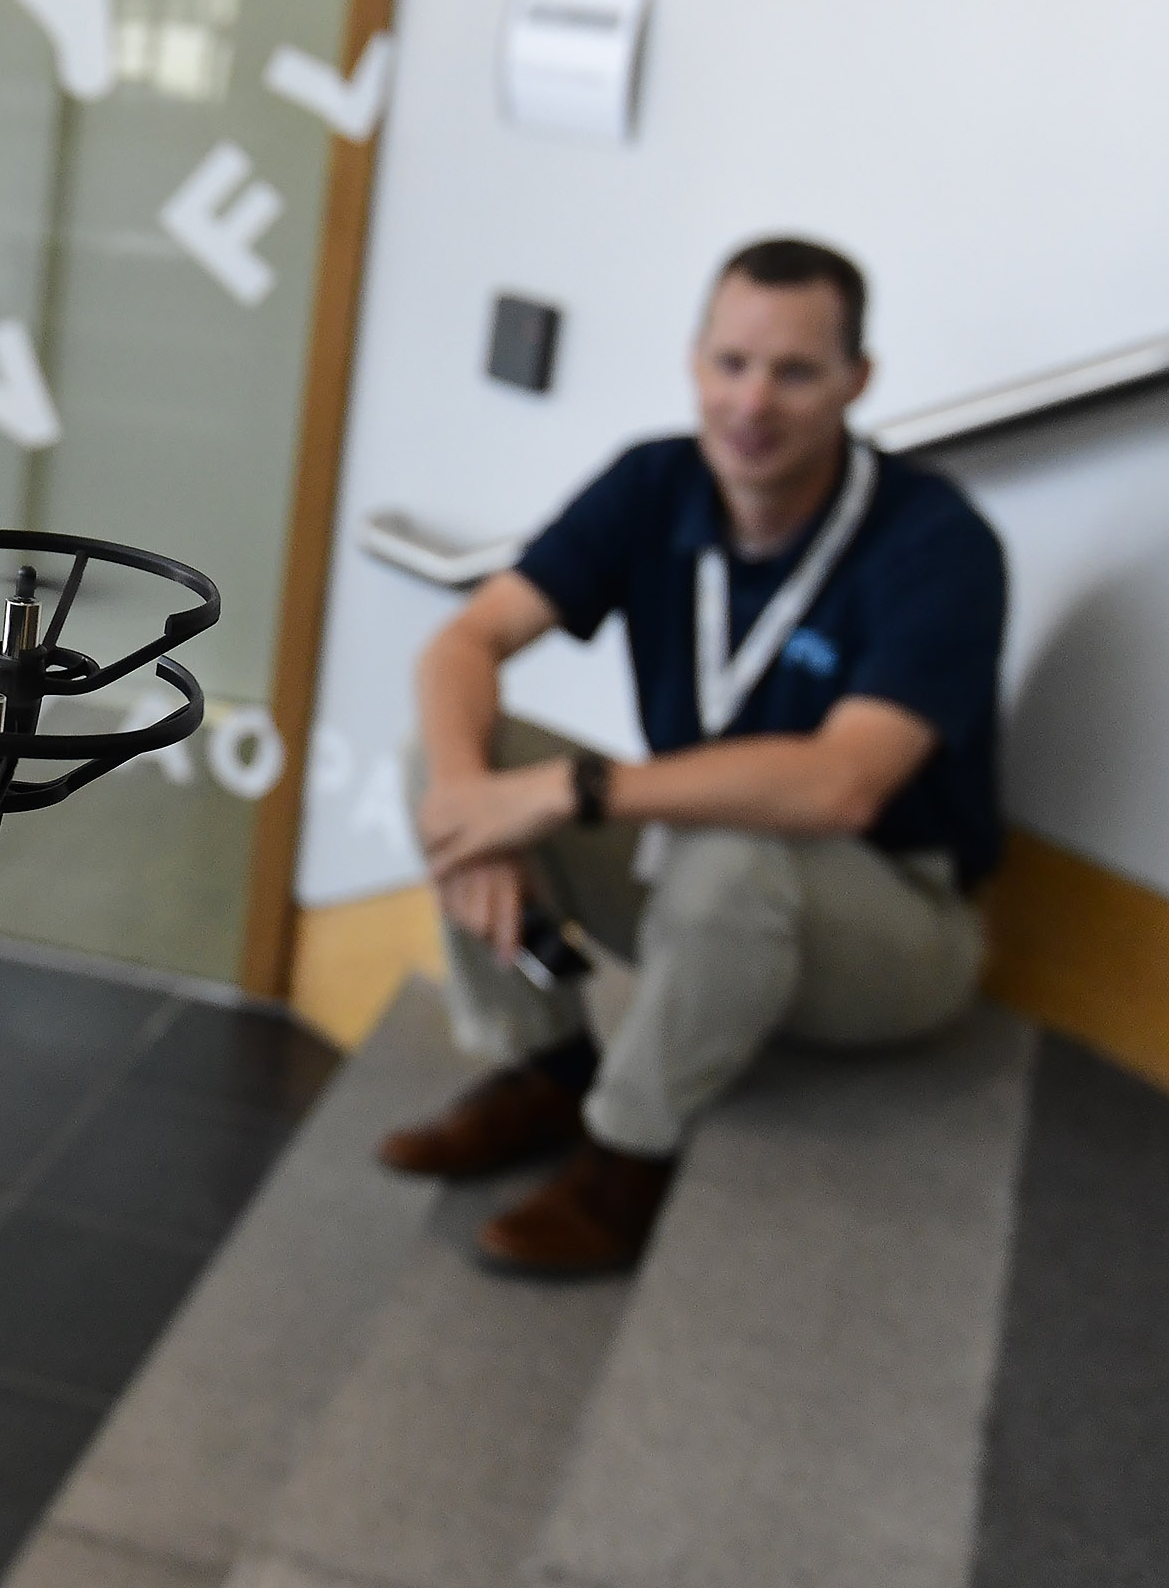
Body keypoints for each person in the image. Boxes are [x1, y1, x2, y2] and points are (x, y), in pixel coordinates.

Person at [387, 238, 1007, 1277]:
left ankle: (623, 1154)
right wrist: (468, 808)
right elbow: (464, 641)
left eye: (794, 372)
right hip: (693, 873)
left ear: (857, 382)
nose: (750, 402)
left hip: (893, 923)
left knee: (726, 853)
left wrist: (564, 793)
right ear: (692, 362)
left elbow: (839, 784)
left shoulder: (934, 542)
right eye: (729, 363)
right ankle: (542, 1066)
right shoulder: (655, 482)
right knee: (444, 754)